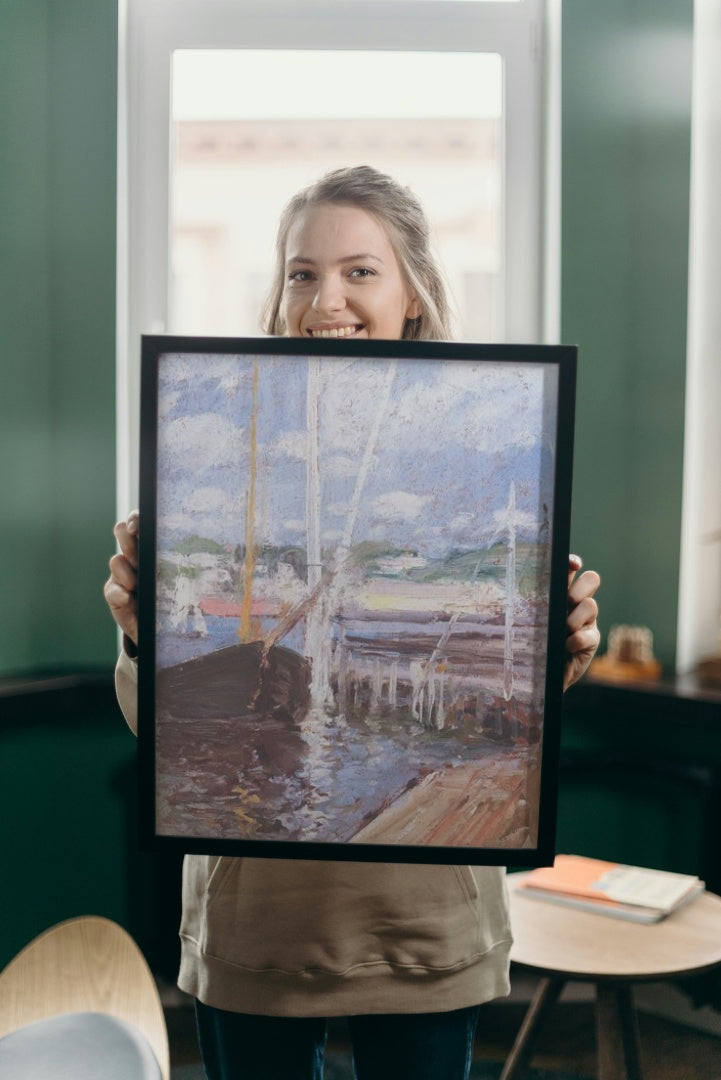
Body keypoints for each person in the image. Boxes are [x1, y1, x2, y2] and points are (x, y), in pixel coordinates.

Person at [105, 166, 601, 1080]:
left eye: (359, 271)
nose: (324, 298)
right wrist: (140, 637)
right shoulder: (199, 428)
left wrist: (558, 651)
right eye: (301, 272)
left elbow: (521, 720)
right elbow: (163, 728)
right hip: (255, 929)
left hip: (425, 925)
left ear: (412, 292)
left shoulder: (499, 432)